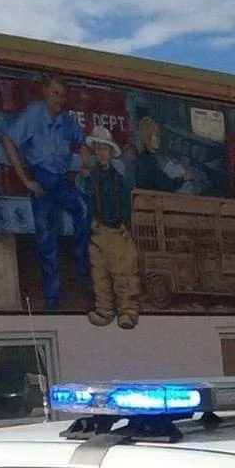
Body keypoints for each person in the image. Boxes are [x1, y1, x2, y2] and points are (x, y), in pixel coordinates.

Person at [1, 74, 90, 309]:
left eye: (62, 94)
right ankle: (53, 300)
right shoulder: (33, 114)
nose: (59, 99)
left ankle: (84, 274)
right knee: (46, 237)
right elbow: (8, 141)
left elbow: (82, 143)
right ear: (45, 92)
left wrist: (81, 169)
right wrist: (26, 180)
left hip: (61, 182)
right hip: (40, 179)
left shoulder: (66, 121)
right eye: (54, 93)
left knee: (83, 209)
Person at [82, 128, 141, 329]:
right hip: (97, 230)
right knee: (99, 273)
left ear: (110, 152)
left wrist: (124, 226)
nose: (101, 153)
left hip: (115, 230)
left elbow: (125, 205)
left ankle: (127, 312)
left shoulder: (118, 179)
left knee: (123, 272)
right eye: (97, 149)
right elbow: (88, 200)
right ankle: (104, 311)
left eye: (104, 149)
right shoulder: (91, 177)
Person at [132, 116, 189, 192]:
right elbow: (167, 185)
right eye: (156, 135)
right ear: (147, 137)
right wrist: (183, 178)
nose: (159, 139)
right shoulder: (147, 161)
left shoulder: (146, 158)